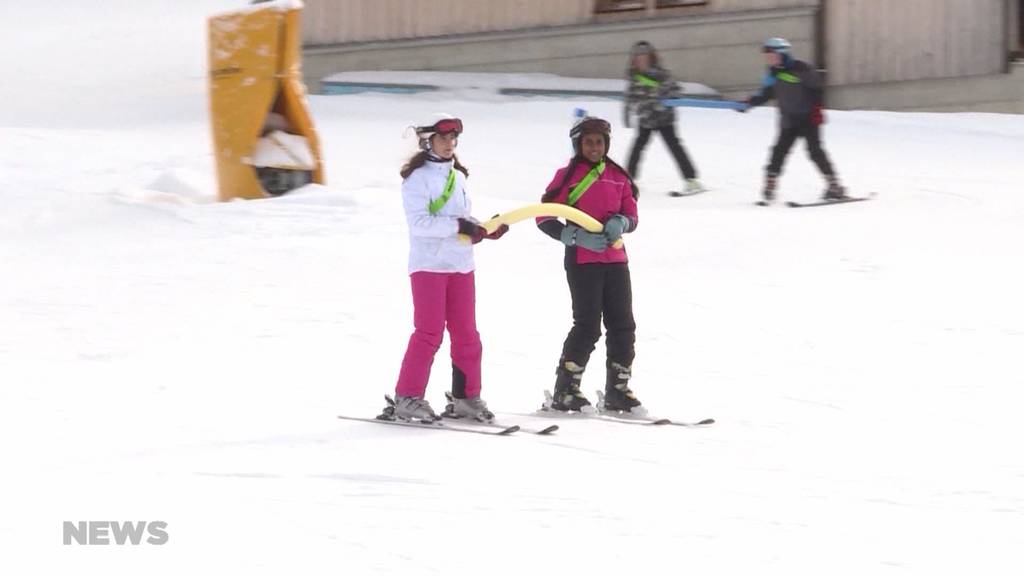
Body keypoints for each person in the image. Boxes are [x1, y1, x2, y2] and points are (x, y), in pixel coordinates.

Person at [391, 115, 509, 422]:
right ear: (428, 141)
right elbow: (420, 224)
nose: (449, 144)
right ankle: (408, 397)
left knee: (467, 334)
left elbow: (461, 221)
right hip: (428, 266)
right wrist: (461, 225)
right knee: (429, 332)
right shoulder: (417, 179)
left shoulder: (458, 176)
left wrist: (485, 230)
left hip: (460, 265)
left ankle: (467, 398)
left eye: (453, 138)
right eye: (443, 138)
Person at [535, 115, 643, 414]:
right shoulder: (567, 176)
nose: (594, 148)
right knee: (587, 326)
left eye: (599, 142)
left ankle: (617, 390)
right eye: (588, 142)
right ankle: (566, 390)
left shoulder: (618, 176)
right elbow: (544, 216)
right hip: (583, 261)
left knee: (623, 325)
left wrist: (622, 222)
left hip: (616, 260)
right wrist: (572, 235)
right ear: (578, 145)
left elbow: (632, 215)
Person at [737, 37, 847, 202]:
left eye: (772, 55)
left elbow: (817, 90)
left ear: (782, 53)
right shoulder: (772, 73)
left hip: (809, 118)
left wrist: (817, 109)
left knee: (815, 152)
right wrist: (749, 103)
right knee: (778, 151)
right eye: (768, 56)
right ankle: (770, 185)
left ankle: (834, 185)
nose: (770, 59)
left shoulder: (802, 68)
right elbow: (766, 94)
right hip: (789, 120)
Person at [623, 40, 704, 196]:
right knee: (638, 148)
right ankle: (628, 180)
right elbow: (630, 97)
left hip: (664, 118)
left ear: (651, 57)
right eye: (638, 57)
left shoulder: (661, 74)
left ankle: (691, 179)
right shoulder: (634, 77)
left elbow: (675, 91)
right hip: (646, 119)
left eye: (644, 57)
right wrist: (628, 112)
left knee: (675, 146)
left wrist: (664, 95)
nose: (641, 61)